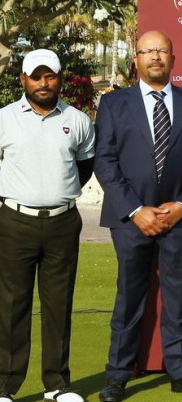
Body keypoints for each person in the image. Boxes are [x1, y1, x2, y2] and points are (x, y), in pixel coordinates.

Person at [95, 30, 182, 401]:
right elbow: (105, 160)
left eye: (161, 51)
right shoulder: (114, 104)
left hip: (179, 219)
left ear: (173, 58)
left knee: (179, 297)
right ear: (135, 59)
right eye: (147, 51)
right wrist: (135, 210)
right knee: (129, 297)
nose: (154, 57)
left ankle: (181, 373)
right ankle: (118, 375)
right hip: (130, 219)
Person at [0, 50, 95, 402]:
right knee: (12, 305)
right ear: (23, 79)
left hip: (62, 222)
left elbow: (85, 167)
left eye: (50, 76)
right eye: (36, 76)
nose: (44, 83)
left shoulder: (77, 119)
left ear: (59, 78)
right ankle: (6, 386)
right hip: (14, 221)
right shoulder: (5, 118)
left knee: (58, 304)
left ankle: (56, 385)